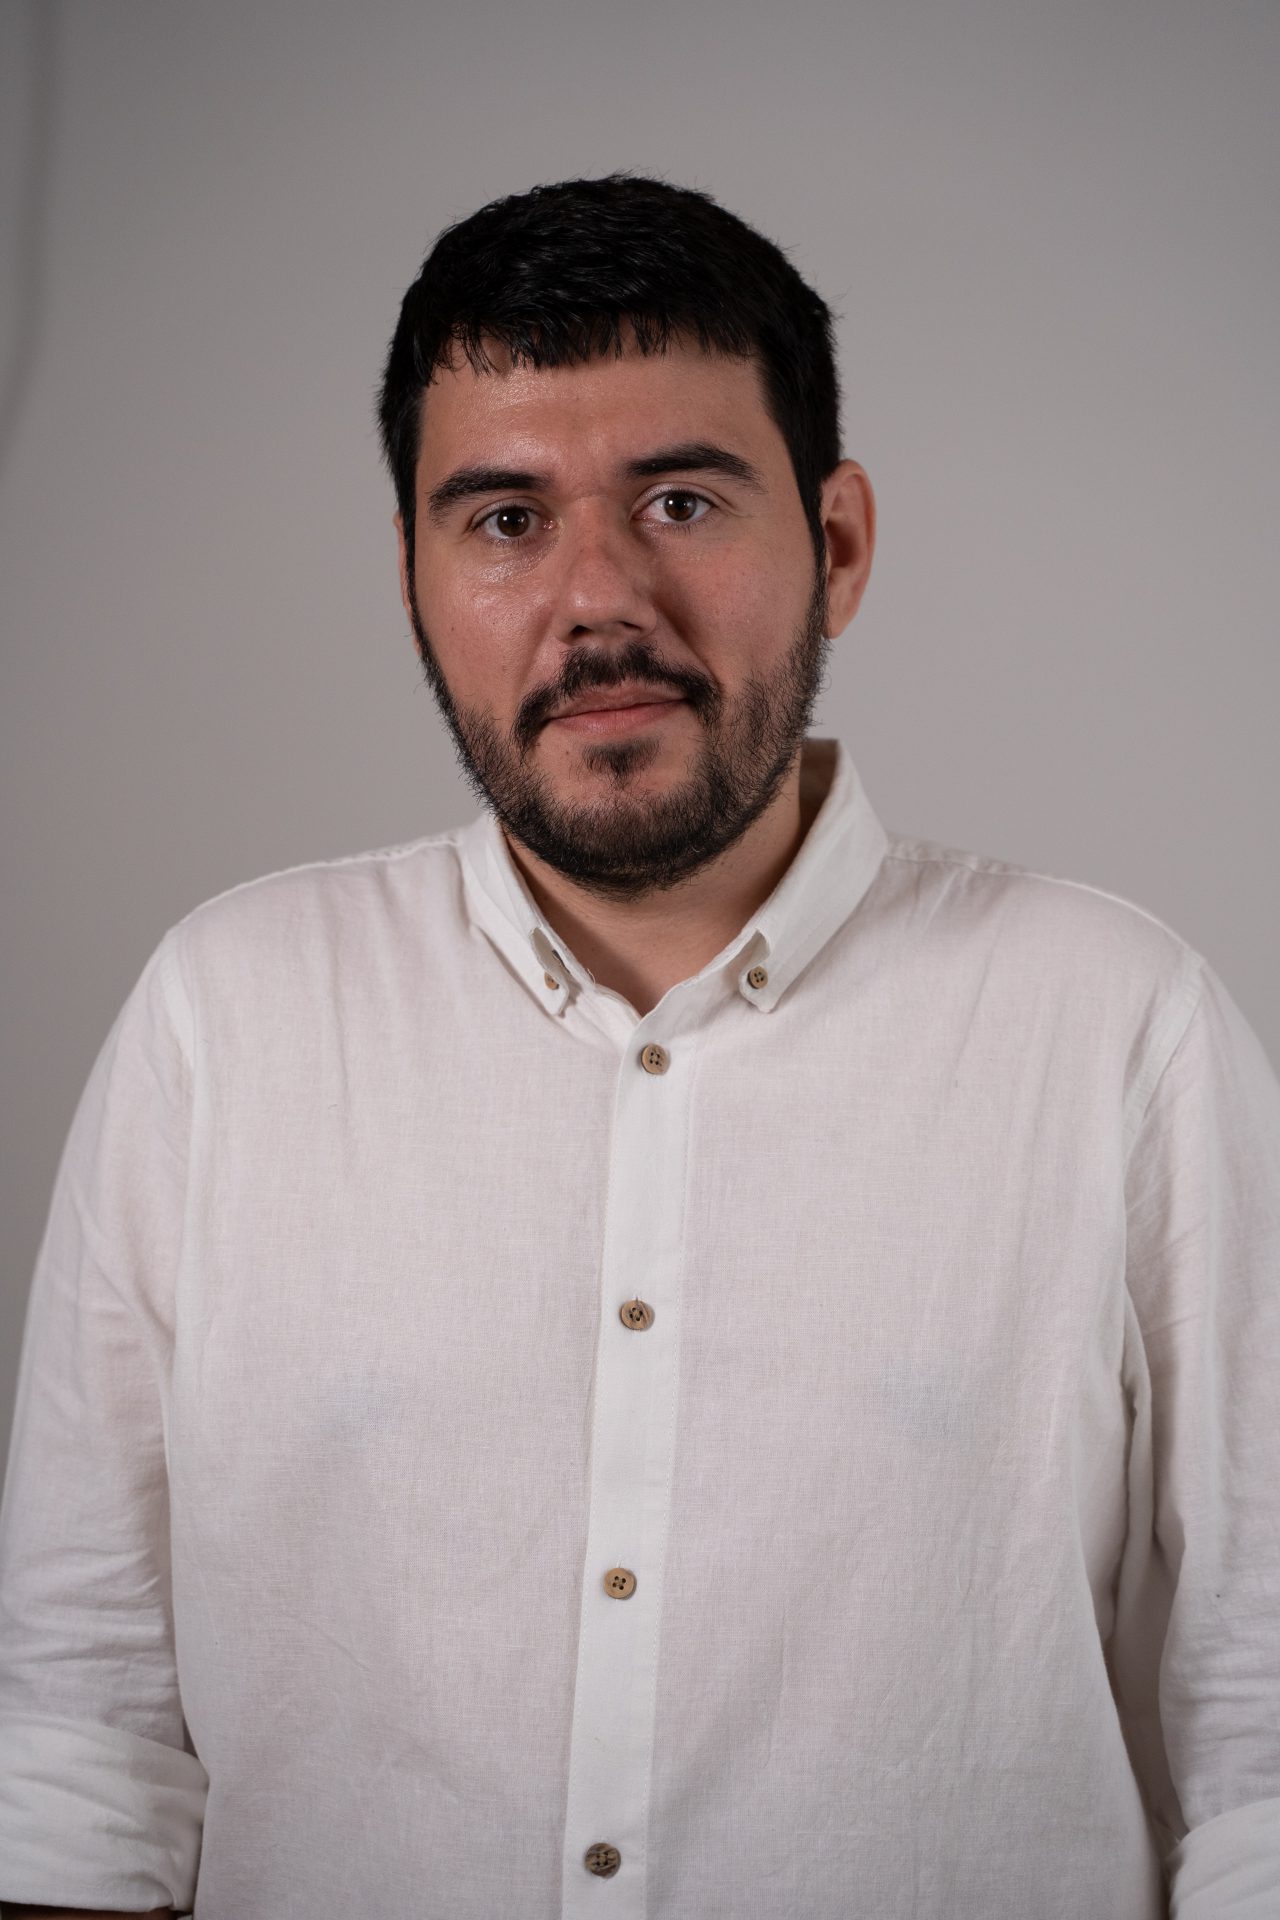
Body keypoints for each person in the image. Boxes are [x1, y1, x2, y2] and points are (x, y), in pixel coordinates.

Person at [0, 171, 1276, 1920]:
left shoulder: (1120, 1029)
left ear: (837, 544)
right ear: (412, 579)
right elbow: (78, 1747)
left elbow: (1264, 1748)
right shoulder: (224, 1018)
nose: (598, 601)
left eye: (681, 500)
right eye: (504, 519)